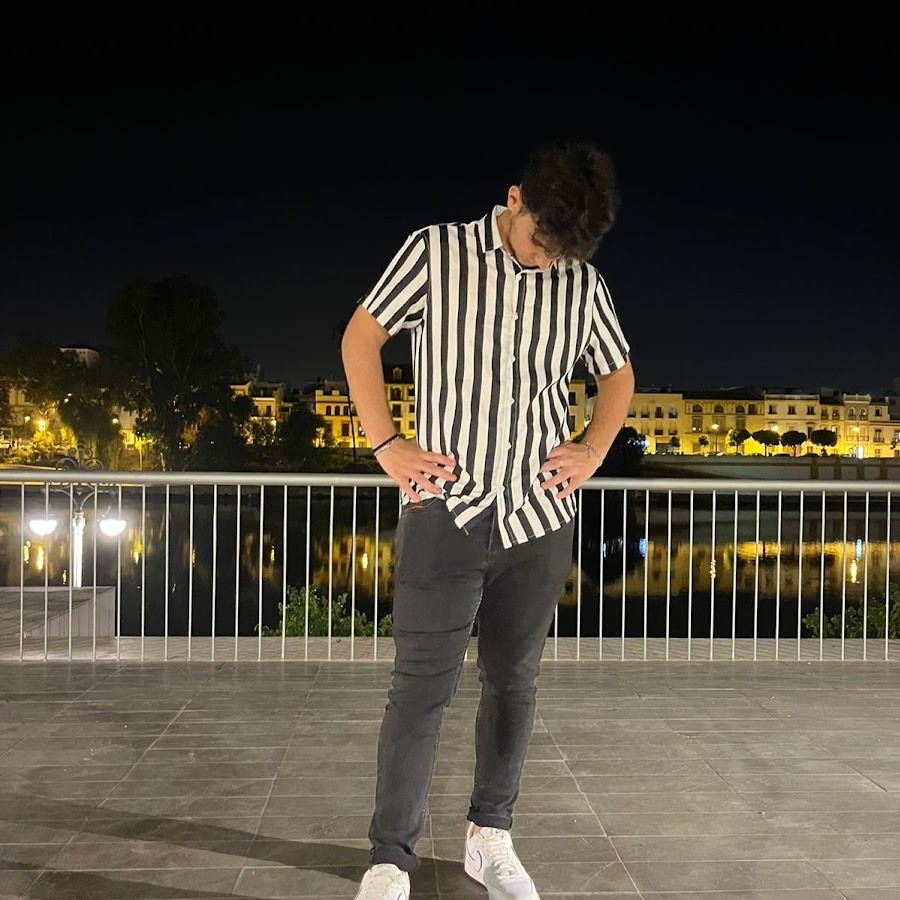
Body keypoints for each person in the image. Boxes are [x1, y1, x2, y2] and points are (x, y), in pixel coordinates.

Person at [341, 138, 635, 900]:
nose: (545, 260)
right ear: (514, 200)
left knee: (514, 683)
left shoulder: (581, 283)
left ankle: (489, 836)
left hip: (538, 517)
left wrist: (591, 450)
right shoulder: (434, 253)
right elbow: (361, 337)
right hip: (447, 508)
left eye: (562, 251)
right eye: (541, 240)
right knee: (419, 688)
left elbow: (618, 373)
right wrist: (387, 444)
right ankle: (389, 858)